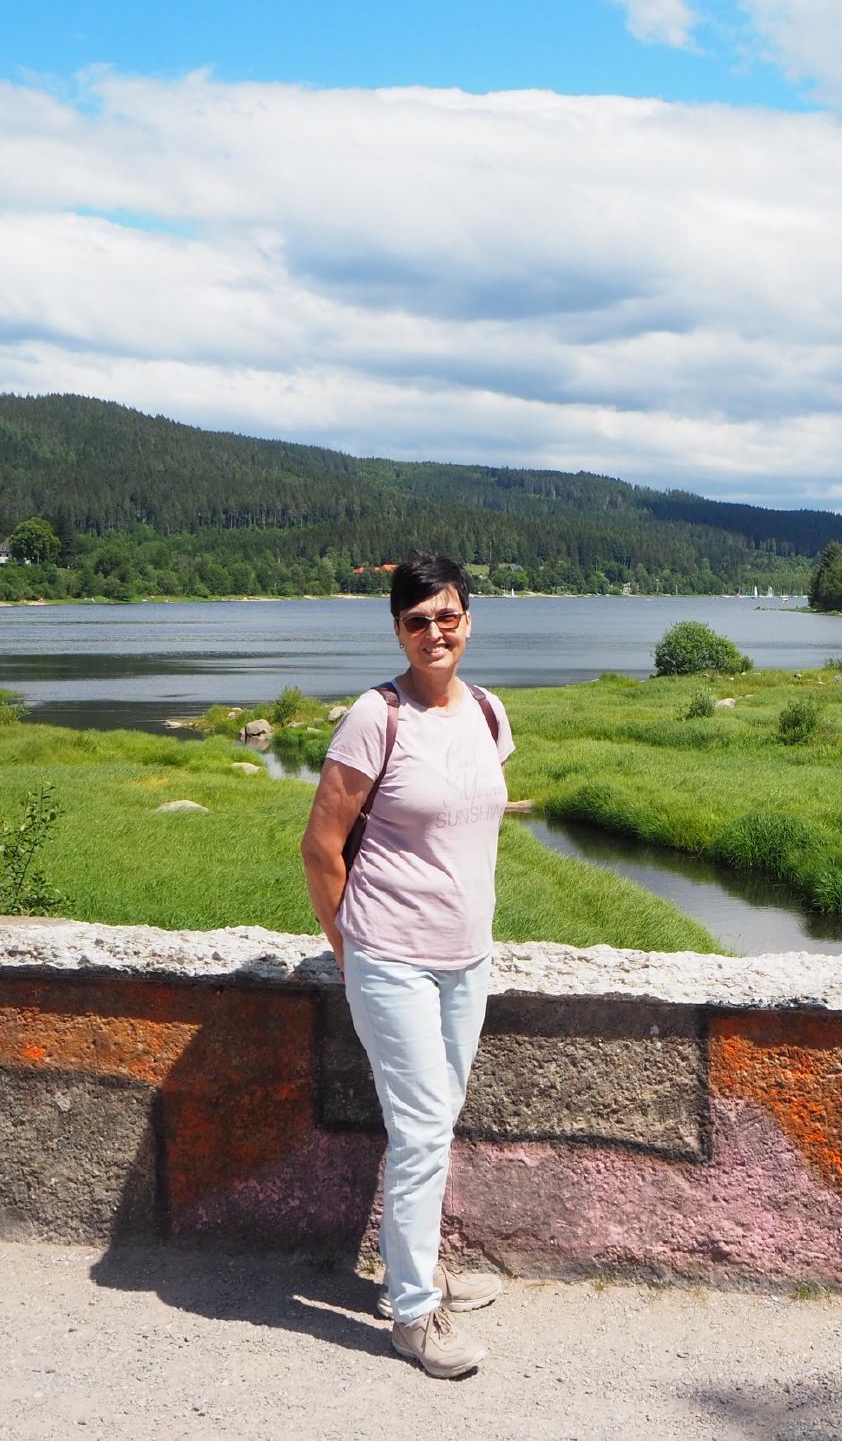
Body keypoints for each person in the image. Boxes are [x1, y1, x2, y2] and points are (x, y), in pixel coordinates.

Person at [301, 552, 514, 1379]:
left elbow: (469, 823)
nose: (434, 632)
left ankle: (410, 1273)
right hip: (391, 957)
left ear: (468, 621)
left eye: (447, 616)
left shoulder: (489, 713)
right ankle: (416, 1315)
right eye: (417, 620)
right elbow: (322, 845)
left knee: (435, 1120)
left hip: (468, 957)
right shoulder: (374, 716)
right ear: (397, 630)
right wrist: (349, 949)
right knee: (423, 1129)